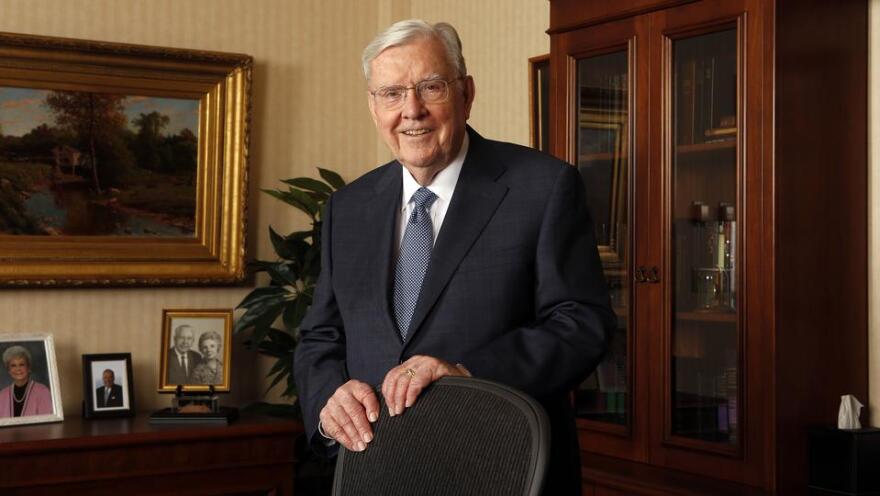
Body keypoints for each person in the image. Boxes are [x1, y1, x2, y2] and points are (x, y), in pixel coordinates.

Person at [293, 19, 614, 495]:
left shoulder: (542, 187)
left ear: (466, 93)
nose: (412, 111)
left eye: (431, 87)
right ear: (373, 105)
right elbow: (321, 334)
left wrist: (467, 374)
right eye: (392, 94)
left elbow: (581, 323)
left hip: (502, 469)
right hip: (374, 473)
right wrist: (328, 401)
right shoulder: (349, 206)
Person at [0, 345, 53, 417]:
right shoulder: (2, 395)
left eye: (21, 364)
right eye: (13, 365)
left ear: (28, 367)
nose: (18, 369)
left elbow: (47, 423)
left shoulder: (42, 391)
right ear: (9, 370)